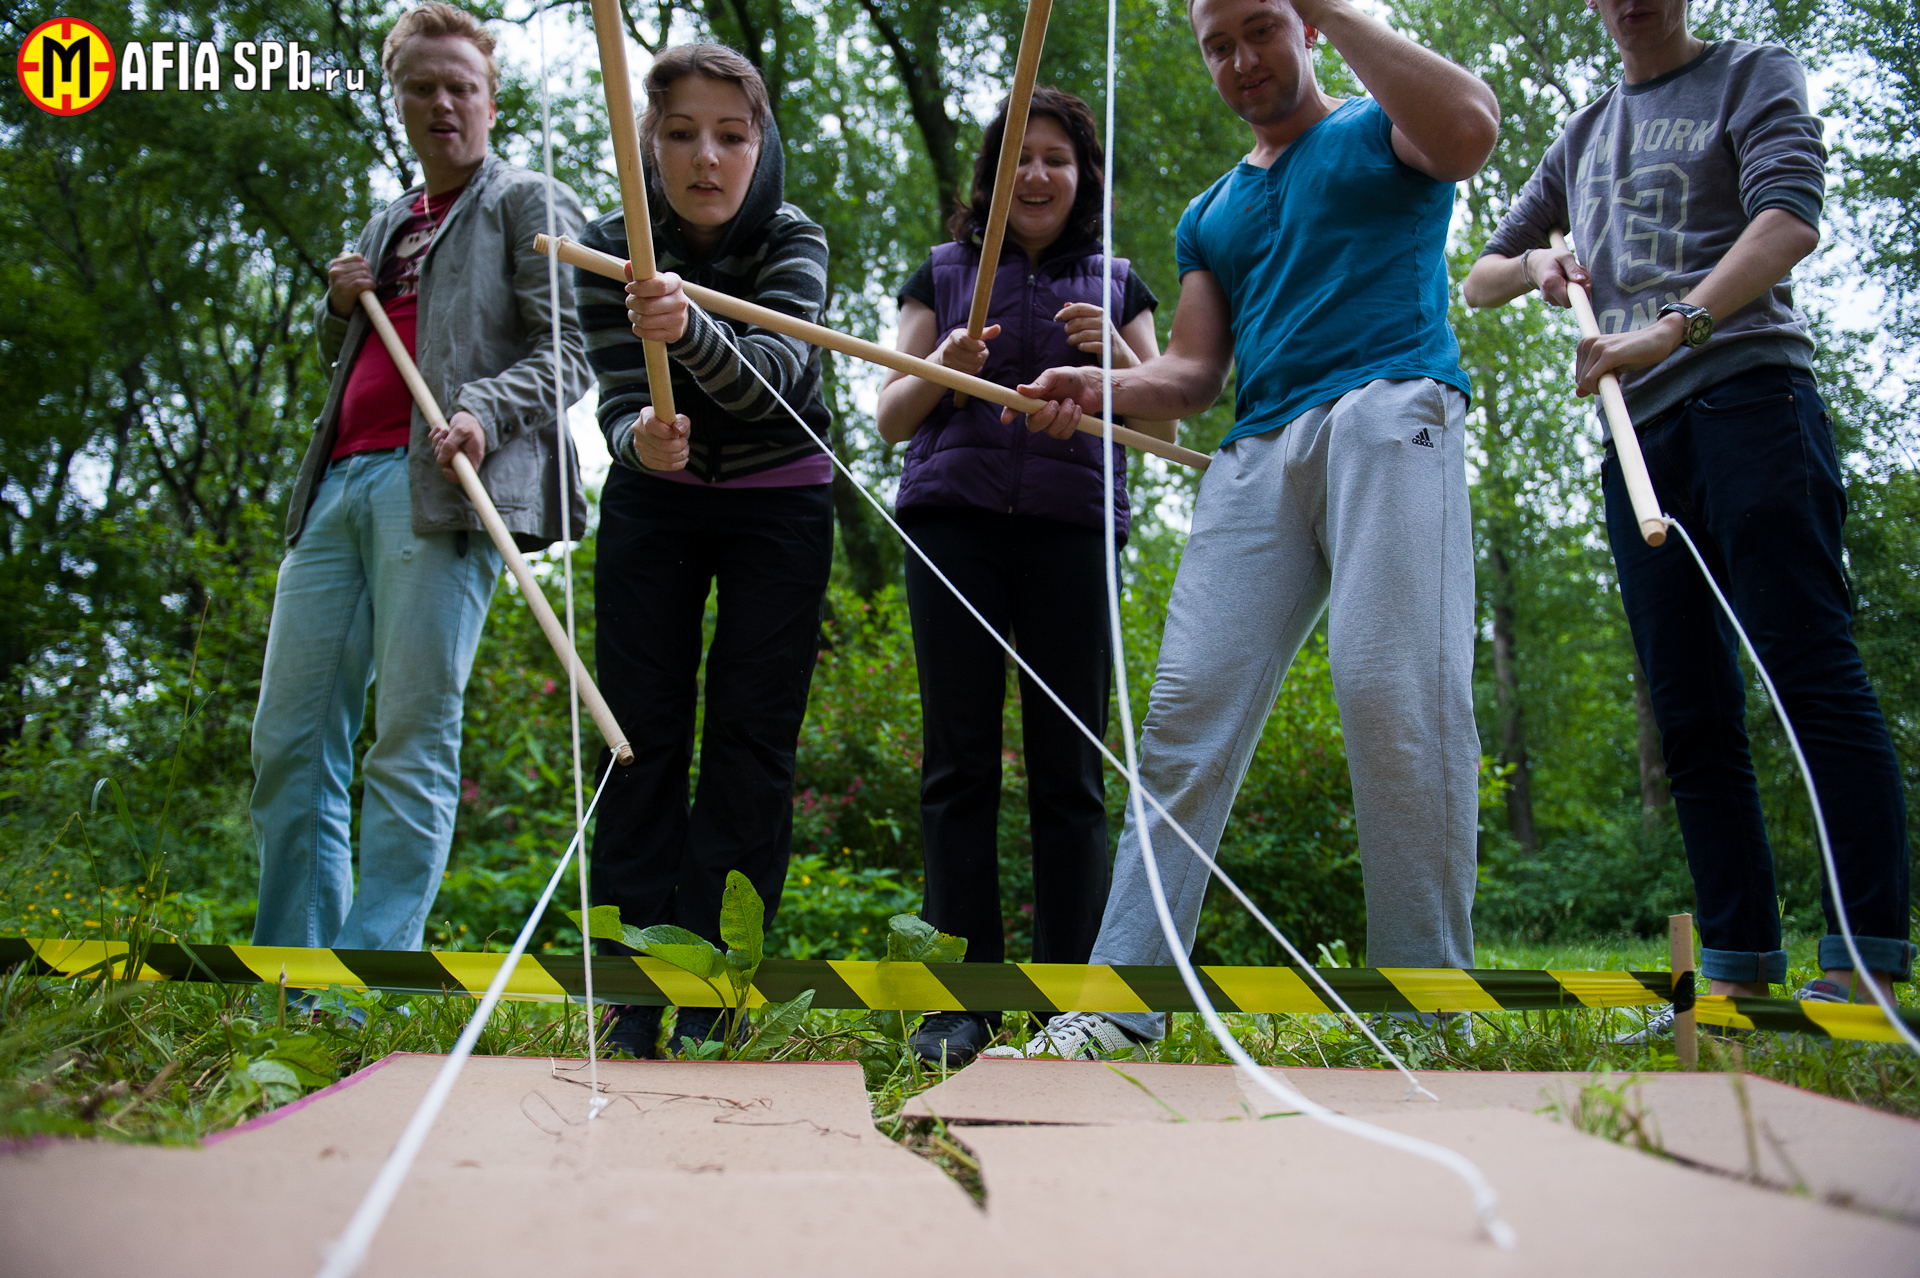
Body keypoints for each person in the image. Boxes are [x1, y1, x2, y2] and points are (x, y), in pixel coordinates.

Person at [990, 0, 1500, 1059]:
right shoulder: (1210, 212)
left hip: (1392, 407)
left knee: (1388, 686)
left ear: (1304, 29)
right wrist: (1103, 382)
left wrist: (1331, 10)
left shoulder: (1375, 125)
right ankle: (1121, 1002)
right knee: (1183, 715)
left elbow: (1469, 132)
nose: (1240, 60)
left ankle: (1427, 1004)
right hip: (1258, 450)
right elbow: (1193, 374)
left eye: (1261, 29)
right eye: (1217, 45)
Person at [1464, 0, 1911, 1024]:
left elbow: (1789, 217)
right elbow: (1480, 279)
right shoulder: (1582, 135)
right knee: (1691, 707)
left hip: (1750, 395)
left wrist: (1676, 328)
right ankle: (1737, 968)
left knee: (1806, 664)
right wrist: (1539, 263)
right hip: (1637, 438)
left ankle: (1866, 960)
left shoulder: (1755, 72)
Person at [251, 3, 589, 954]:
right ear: (396, 98)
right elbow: (345, 350)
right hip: (334, 491)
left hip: (438, 491)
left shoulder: (526, 199)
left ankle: (366, 981)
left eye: (460, 87)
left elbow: (572, 350)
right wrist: (335, 302)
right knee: (288, 741)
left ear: (489, 99)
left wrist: (484, 409)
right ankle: (290, 970)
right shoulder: (391, 218)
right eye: (422, 87)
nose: (442, 103)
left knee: (408, 737)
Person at [875, 88, 1175, 1068]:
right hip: (952, 526)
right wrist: (948, 364)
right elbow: (889, 414)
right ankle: (955, 1007)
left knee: (1070, 771)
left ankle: (1069, 1003)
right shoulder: (943, 271)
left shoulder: (1118, 281)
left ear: (1084, 175)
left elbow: (1164, 427)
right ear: (990, 179)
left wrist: (1118, 360)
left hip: (1070, 536)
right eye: (1019, 159)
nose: (1039, 174)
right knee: (957, 766)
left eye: (1057, 157)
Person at [579, 44, 834, 1059]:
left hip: (783, 502)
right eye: (680, 132)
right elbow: (611, 398)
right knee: (634, 736)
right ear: (649, 142)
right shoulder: (609, 245)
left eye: (731, 134)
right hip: (657, 502)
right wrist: (633, 437)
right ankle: (631, 987)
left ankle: (715, 986)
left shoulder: (792, 236)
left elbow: (780, 380)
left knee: (752, 741)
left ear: (759, 142)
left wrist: (686, 334)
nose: (706, 156)